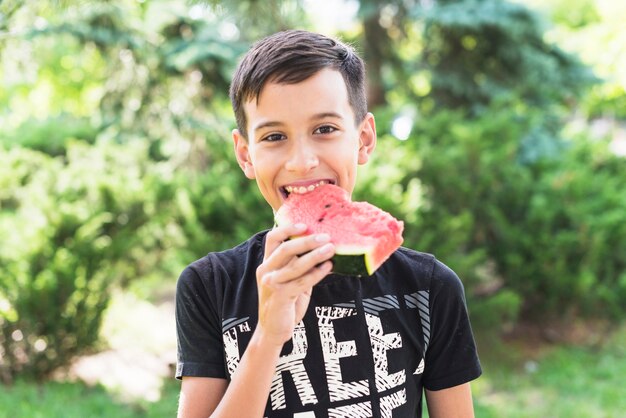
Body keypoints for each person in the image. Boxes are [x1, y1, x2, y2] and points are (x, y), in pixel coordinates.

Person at [175, 29, 482, 418]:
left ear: (364, 139)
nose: (301, 161)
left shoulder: (430, 287)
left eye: (324, 129)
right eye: (273, 136)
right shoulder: (209, 286)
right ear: (245, 154)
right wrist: (269, 335)